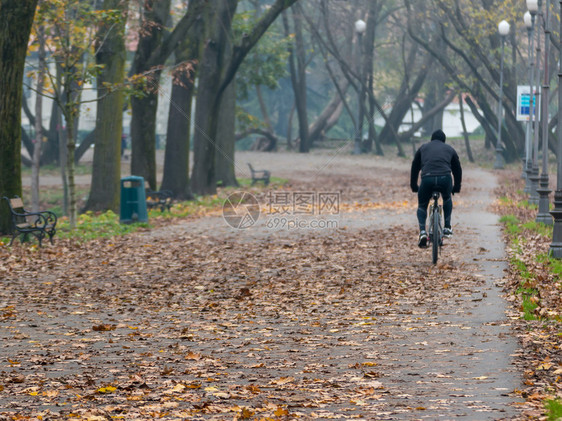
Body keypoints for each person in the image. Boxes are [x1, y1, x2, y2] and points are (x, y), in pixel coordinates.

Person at [410, 129, 462, 248]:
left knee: (422, 205)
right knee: (447, 198)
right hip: (445, 178)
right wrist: (456, 187)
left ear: (431, 139)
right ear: (444, 140)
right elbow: (457, 169)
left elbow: (415, 166)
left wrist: (414, 185)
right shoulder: (449, 149)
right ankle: (447, 227)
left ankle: (423, 231)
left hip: (427, 179)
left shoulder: (423, 148)